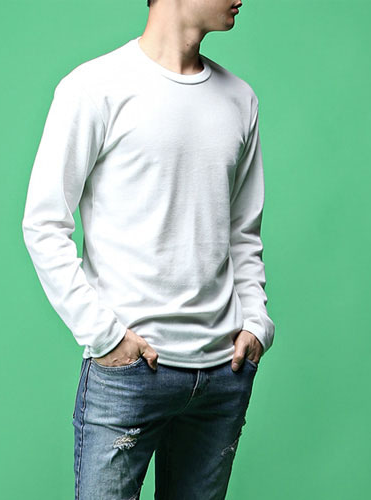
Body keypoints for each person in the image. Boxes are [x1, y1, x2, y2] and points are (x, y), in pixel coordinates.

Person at [22, 0, 275, 498]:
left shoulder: (240, 99)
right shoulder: (94, 87)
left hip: (223, 372)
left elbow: (243, 232)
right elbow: (43, 224)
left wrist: (256, 324)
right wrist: (105, 336)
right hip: (130, 372)